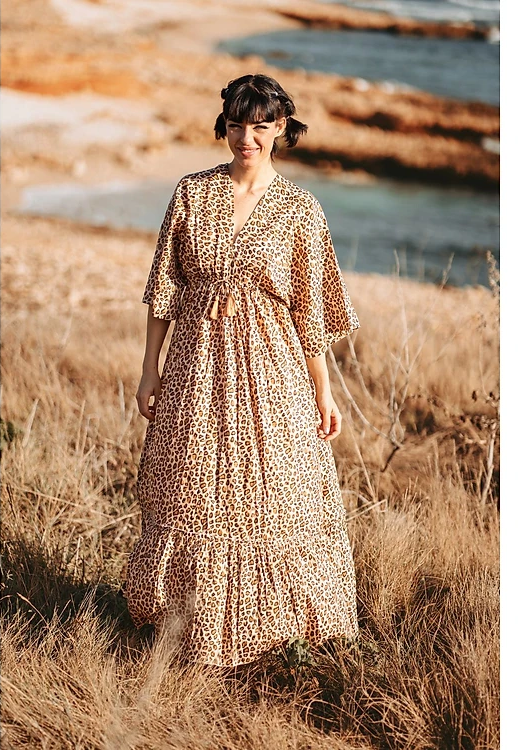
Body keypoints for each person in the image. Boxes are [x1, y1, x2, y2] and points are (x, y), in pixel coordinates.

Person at [126, 73, 361, 667]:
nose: (246, 139)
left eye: (259, 127)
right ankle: (187, 628)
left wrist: (324, 393)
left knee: (279, 493)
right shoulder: (191, 194)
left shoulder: (300, 210)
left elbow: (311, 312)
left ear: (281, 128)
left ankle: (280, 637)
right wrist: (150, 369)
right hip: (195, 369)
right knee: (191, 490)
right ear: (224, 126)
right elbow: (163, 290)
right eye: (236, 125)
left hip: (273, 375)